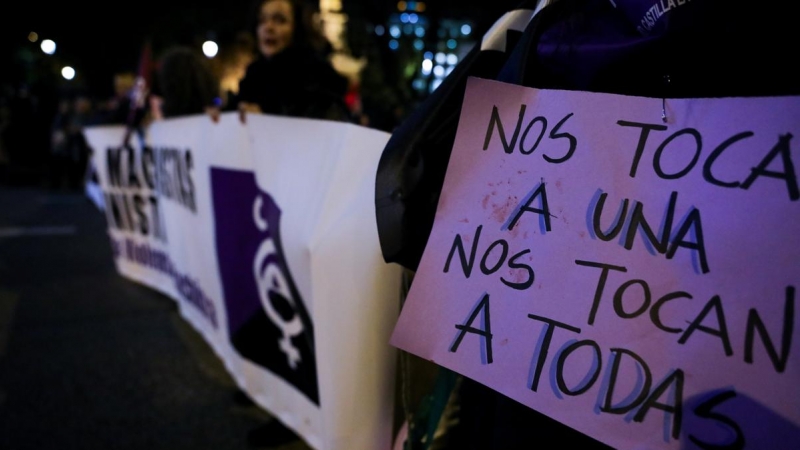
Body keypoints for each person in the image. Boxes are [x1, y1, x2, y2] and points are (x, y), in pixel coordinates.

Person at [213, 0, 352, 125]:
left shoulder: (317, 77)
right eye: (262, 20)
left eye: (280, 20)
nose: (268, 27)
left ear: (297, 29)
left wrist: (267, 121)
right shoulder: (254, 76)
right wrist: (216, 118)